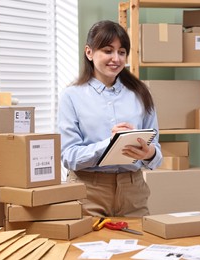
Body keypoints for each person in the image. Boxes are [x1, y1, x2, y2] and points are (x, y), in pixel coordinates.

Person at [57, 20, 162, 217]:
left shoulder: (141, 93)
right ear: (89, 52)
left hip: (133, 189)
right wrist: (109, 144)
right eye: (108, 50)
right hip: (87, 189)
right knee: (87, 247)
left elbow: (157, 154)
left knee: (140, 246)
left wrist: (148, 153)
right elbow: (68, 156)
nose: (116, 58)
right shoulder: (71, 96)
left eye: (121, 52)